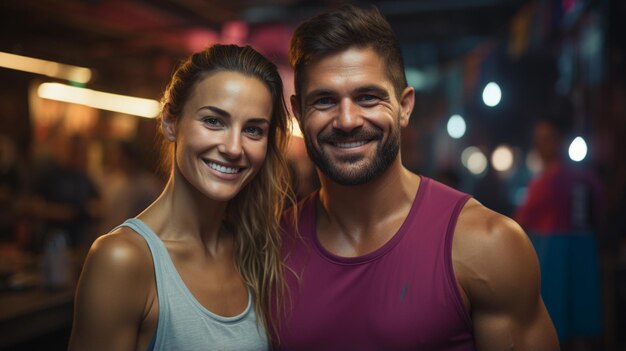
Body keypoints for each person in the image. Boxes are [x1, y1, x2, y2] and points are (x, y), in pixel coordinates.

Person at [276, 5, 559, 350]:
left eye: (368, 97)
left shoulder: (486, 244)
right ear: (298, 113)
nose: (347, 120)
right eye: (324, 101)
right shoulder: (268, 248)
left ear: (405, 106)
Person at [69, 44, 294, 351]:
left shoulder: (254, 251)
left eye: (253, 129)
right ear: (170, 123)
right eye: (214, 121)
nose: (233, 147)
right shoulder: (122, 258)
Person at [515, 116, 604, 350]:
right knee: (580, 324)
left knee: (554, 325)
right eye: (538, 140)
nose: (540, 146)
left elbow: (520, 225)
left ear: (559, 141)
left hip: (552, 259)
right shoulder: (587, 179)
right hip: (584, 257)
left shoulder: (543, 183)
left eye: (546, 139)